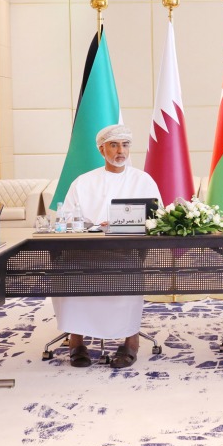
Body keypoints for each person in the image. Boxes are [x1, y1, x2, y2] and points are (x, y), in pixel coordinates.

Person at [54, 124, 161, 369]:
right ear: (102, 149)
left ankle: (130, 341)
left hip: (126, 252)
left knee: (129, 273)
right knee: (68, 273)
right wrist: (93, 225)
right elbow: (66, 218)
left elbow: (157, 217)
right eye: (113, 145)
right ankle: (77, 341)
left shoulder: (143, 180)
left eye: (125, 145)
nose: (120, 151)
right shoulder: (83, 182)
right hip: (85, 251)